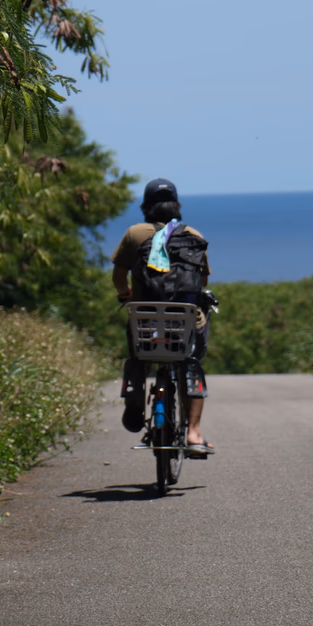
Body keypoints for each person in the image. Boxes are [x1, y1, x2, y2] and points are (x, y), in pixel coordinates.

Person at [111, 177, 214, 454]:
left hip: (145, 321)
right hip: (184, 322)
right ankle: (193, 434)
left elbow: (119, 276)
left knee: (138, 356)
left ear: (146, 207)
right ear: (176, 206)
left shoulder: (134, 234)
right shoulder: (194, 234)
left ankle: (134, 403)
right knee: (191, 361)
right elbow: (202, 282)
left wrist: (126, 295)